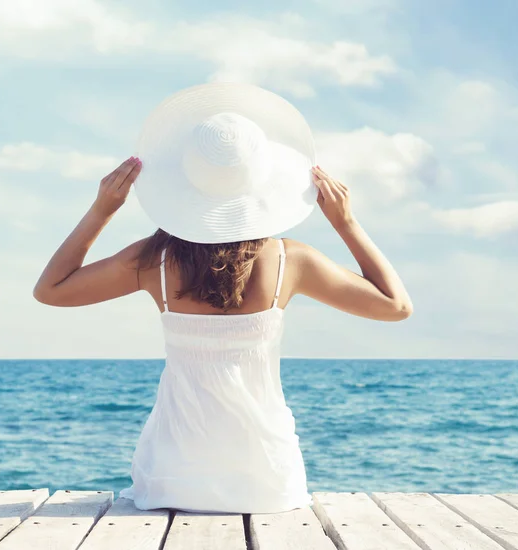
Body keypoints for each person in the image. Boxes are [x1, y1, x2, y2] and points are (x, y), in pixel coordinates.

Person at [33, 83, 413, 515]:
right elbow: (396, 306)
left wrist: (102, 210)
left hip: (172, 480)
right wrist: (345, 223)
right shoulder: (291, 261)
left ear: (185, 180)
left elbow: (51, 291)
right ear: (262, 181)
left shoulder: (153, 261)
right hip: (267, 483)